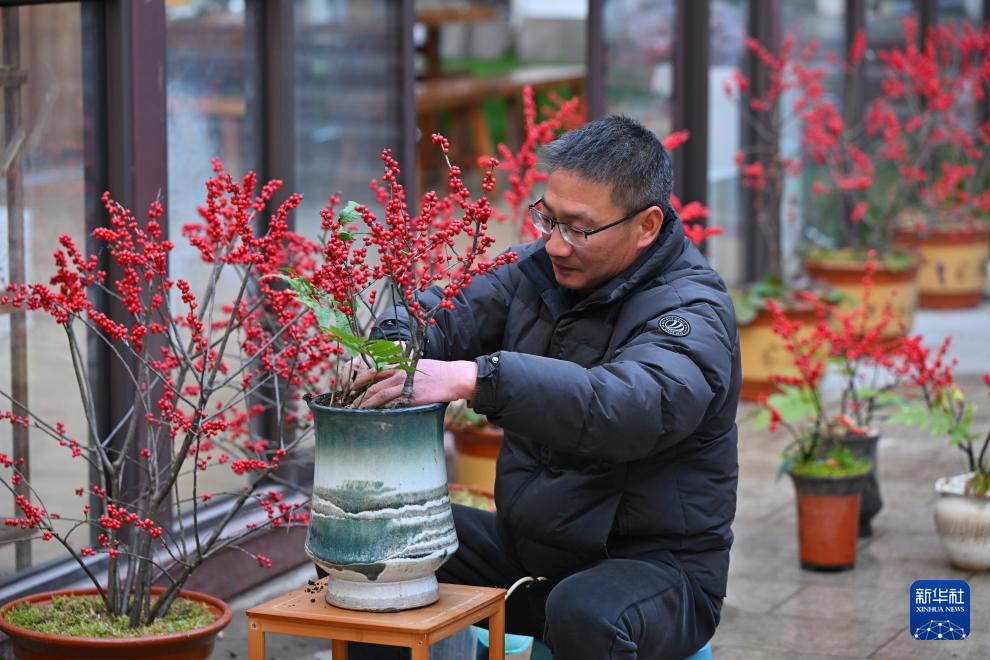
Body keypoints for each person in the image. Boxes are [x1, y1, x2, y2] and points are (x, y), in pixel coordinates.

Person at [350, 115, 740, 659]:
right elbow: (443, 312)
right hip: (533, 556)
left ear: (647, 226)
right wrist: (393, 346)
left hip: (655, 573)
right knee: (371, 540)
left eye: (578, 228)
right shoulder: (537, 272)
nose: (556, 245)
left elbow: (626, 406)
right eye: (548, 219)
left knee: (584, 612)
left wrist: (476, 378)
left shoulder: (692, 312)